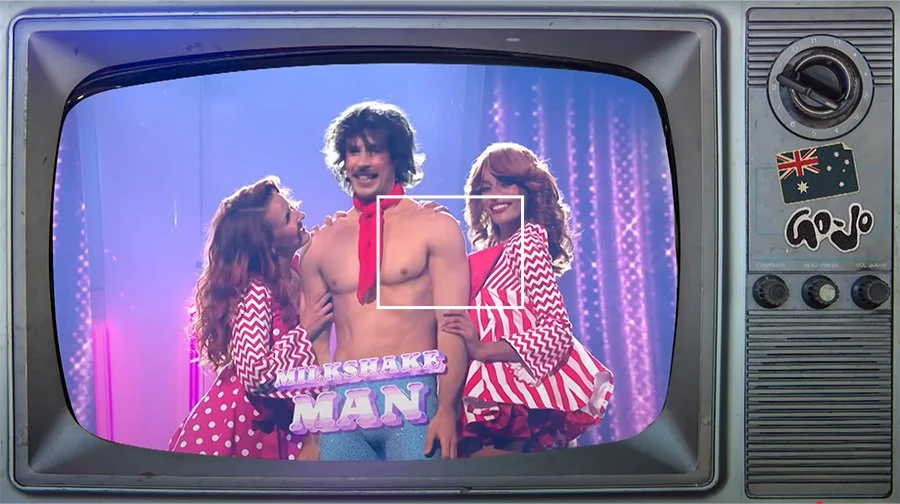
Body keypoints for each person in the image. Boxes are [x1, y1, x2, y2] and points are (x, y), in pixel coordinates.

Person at [299, 101, 470, 460]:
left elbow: (451, 324)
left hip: (413, 394)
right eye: (353, 151)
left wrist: (447, 408)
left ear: (397, 158)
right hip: (343, 401)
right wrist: (318, 416)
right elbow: (315, 336)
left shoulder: (436, 226)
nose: (362, 162)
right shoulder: (321, 242)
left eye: (374, 150)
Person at [440, 142, 615, 457]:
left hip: (516, 394)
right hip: (499, 393)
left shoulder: (527, 241)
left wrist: (482, 349)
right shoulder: (496, 252)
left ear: (528, 188)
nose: (494, 196)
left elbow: (558, 330)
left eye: (505, 183)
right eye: (485, 188)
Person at [168, 177, 333, 460]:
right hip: (244, 428)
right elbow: (255, 373)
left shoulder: (296, 272)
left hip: (280, 421)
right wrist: (305, 331)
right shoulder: (257, 291)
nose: (301, 214)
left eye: (292, 206)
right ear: (268, 244)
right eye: (288, 217)